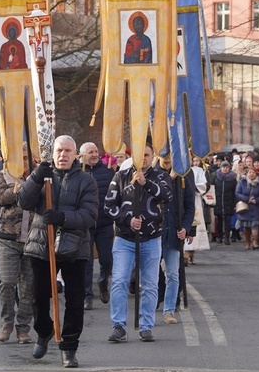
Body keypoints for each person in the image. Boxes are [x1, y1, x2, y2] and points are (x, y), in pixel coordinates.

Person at [18, 135, 98, 368]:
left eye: (68, 151)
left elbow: (90, 215)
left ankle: (69, 348)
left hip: (75, 246)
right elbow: (24, 202)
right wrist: (35, 178)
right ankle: (44, 331)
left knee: (75, 299)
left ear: (76, 155)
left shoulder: (86, 181)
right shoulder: (42, 175)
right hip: (42, 244)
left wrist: (62, 218)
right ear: (52, 153)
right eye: (59, 150)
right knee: (38, 296)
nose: (63, 155)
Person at [105, 143, 172, 343]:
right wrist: (127, 219)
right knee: (119, 281)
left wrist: (145, 183)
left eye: (147, 155)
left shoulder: (160, 177)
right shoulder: (121, 176)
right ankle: (118, 325)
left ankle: (146, 326)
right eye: (139, 155)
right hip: (125, 239)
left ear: (153, 157)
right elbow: (108, 206)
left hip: (151, 238)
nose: (143, 159)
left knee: (150, 285)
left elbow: (167, 196)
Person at [0, 148, 34, 344]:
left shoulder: (37, 175)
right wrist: (17, 187)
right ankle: (7, 322)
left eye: (26, 158)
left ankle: (23, 327)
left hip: (32, 239)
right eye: (20, 158)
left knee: (28, 287)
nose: (23, 162)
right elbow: (0, 198)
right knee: (7, 282)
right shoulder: (3, 175)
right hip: (8, 239)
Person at [155, 155, 194, 324]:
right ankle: (151, 306)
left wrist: (186, 228)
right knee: (151, 275)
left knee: (173, 274)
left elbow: (190, 205)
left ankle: (169, 310)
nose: (167, 158)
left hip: (173, 233)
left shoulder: (184, 176)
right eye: (163, 155)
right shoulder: (152, 174)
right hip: (154, 234)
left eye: (170, 154)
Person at [79, 142, 115, 311]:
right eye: (90, 152)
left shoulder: (108, 172)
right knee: (86, 262)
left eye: (95, 151)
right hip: (85, 225)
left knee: (107, 260)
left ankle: (103, 280)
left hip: (104, 223)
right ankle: (87, 296)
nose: (94, 154)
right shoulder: (78, 173)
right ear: (82, 156)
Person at [185, 156, 210, 265]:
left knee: (195, 224)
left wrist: (192, 186)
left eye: (195, 160)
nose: (194, 162)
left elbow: (204, 185)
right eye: (192, 160)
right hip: (184, 199)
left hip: (195, 199)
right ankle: (184, 254)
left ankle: (192, 253)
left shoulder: (199, 171)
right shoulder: (181, 169)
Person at [235, 167, 259, 250]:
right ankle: (248, 242)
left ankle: (255, 242)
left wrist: (256, 200)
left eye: (253, 172)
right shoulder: (242, 182)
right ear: (246, 173)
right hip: (245, 208)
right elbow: (237, 193)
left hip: (255, 207)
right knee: (246, 227)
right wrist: (247, 199)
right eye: (250, 172)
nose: (251, 174)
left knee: (255, 226)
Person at [212, 161, 237, 245]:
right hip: (218, 201)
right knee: (219, 220)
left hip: (228, 202)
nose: (225, 169)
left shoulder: (233, 179)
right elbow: (212, 188)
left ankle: (226, 237)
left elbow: (235, 192)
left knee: (227, 220)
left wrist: (235, 203)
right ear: (221, 168)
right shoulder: (216, 177)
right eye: (223, 167)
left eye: (226, 167)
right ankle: (219, 236)